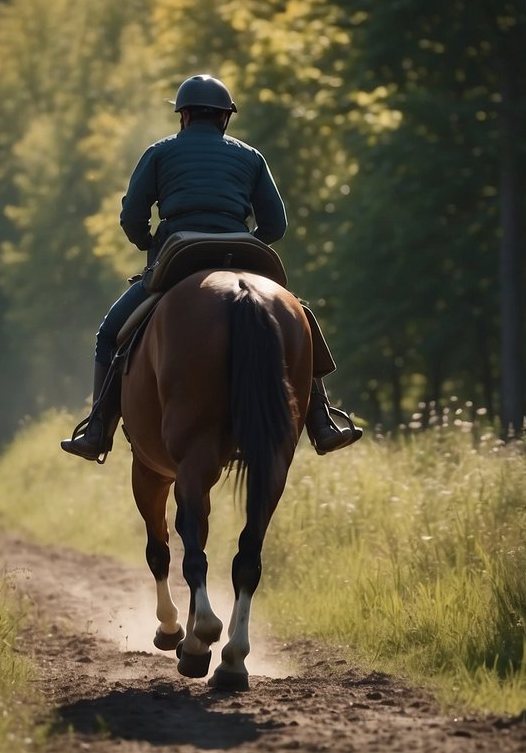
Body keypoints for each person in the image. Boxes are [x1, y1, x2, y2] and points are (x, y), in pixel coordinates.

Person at [61, 74, 362, 462]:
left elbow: (133, 215)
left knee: (109, 333)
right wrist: (244, 240)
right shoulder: (251, 156)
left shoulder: (159, 152)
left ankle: (98, 429)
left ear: (183, 116)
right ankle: (322, 421)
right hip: (241, 250)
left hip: (178, 252)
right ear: (225, 118)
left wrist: (148, 244)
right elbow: (276, 225)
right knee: (298, 315)